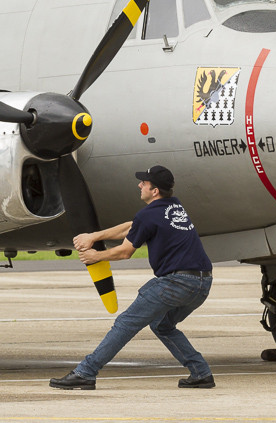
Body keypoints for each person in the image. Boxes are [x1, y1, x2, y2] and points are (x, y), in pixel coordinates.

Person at [50, 165, 215, 390]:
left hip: (176, 283)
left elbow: (124, 252)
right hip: (203, 283)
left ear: (154, 191)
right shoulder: (175, 207)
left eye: (144, 183)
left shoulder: (149, 214)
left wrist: (95, 255)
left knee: (125, 323)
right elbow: (132, 226)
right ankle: (201, 373)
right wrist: (95, 235)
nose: (140, 185)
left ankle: (85, 373)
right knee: (163, 325)